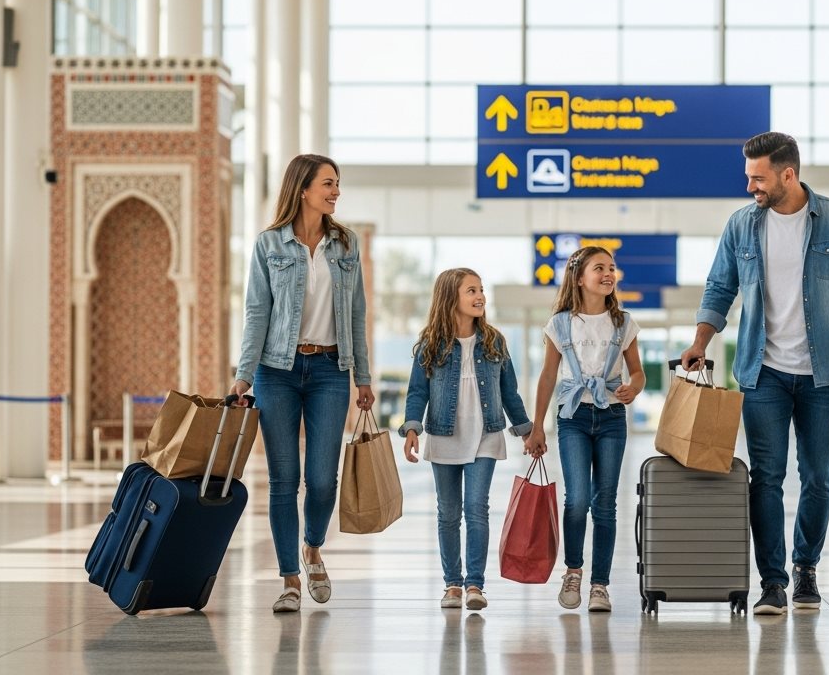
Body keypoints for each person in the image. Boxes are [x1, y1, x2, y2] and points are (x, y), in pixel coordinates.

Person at [679, 131, 829, 616]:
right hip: (761, 371)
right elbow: (719, 288)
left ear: (789, 174)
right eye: (749, 178)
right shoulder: (742, 225)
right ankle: (773, 582)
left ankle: (806, 568)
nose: (750, 188)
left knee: (819, 477)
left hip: (823, 372)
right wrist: (700, 343)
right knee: (766, 477)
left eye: (758, 178)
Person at [231, 153, 374, 614]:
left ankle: (312, 548)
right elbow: (257, 312)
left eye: (337, 184)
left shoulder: (345, 244)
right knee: (283, 480)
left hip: (331, 371)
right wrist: (243, 374)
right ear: (303, 189)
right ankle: (290, 579)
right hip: (277, 371)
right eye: (328, 183)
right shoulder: (269, 244)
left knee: (322, 481)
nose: (336, 191)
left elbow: (355, 315)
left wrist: (364, 377)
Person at [399, 268, 544, 612]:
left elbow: (510, 393)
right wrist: (411, 430)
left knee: (476, 508)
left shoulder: (494, 342)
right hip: (443, 435)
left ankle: (475, 583)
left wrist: (527, 430)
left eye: (481, 290)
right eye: (471, 291)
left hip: (486, 435)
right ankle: (452, 584)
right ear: (451, 297)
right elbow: (417, 392)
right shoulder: (430, 345)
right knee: (448, 513)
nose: (480, 296)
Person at [526, 246, 645, 613]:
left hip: (611, 419)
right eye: (600, 268)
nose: (609, 273)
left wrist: (635, 387)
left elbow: (637, 371)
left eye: (612, 267)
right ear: (580, 278)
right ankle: (574, 570)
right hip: (572, 417)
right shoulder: (560, 323)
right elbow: (548, 376)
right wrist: (538, 427)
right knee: (577, 500)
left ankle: (600, 585)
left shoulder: (624, 323)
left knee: (605, 504)